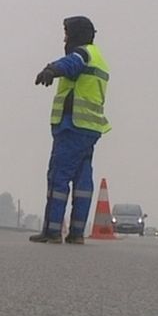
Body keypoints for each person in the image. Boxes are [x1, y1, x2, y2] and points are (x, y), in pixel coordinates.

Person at [30, 16, 111, 244]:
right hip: (90, 129)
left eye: (67, 33)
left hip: (73, 126)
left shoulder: (83, 54)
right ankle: (76, 234)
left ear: (77, 35)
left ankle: (52, 231)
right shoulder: (99, 58)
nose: (64, 38)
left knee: (59, 176)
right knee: (82, 180)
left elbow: (71, 63)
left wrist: (51, 69)